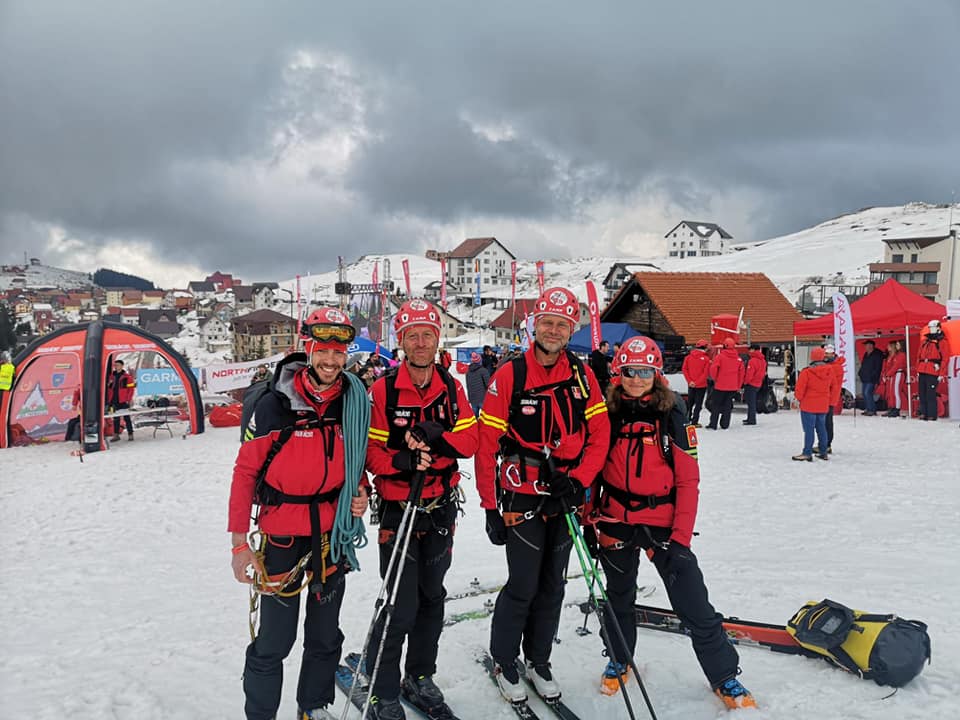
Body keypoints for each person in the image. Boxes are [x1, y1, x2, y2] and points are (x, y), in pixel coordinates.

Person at [590, 336, 755, 709]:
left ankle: (724, 676)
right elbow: (594, 470)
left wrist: (681, 538)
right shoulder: (607, 412)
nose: (636, 379)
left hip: (662, 523)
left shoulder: (673, 413)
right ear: (618, 372)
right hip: (615, 518)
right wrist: (589, 518)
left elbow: (688, 480)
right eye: (629, 371)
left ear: (656, 373)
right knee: (618, 597)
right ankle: (619, 659)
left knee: (693, 603)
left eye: (644, 371)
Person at [228, 307, 370, 720]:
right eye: (322, 350)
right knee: (275, 640)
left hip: (332, 536)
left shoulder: (352, 401)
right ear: (307, 349)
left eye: (338, 352)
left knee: (325, 636)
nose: (330, 360)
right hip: (282, 537)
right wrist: (239, 544)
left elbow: (356, 461)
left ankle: (313, 706)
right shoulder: (273, 406)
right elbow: (245, 472)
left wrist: (361, 490)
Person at [476, 286, 610, 704]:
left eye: (561, 325)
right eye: (547, 323)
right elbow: (486, 444)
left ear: (571, 331)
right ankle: (504, 659)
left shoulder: (583, 376)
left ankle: (538, 659)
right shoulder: (510, 375)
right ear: (535, 326)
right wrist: (489, 506)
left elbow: (600, 434)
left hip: (564, 493)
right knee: (523, 585)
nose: (553, 331)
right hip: (522, 494)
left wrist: (580, 480)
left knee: (553, 586)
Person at [363, 298, 478, 720]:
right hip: (399, 508)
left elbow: (471, 441)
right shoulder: (384, 390)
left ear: (437, 338)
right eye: (412, 335)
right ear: (401, 341)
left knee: (433, 598)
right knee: (401, 603)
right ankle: (383, 688)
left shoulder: (451, 387)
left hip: (440, 506)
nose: (420, 342)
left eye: (427, 334)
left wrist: (436, 437)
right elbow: (370, 453)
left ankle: (420, 675)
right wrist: (404, 459)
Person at [792, 347, 836, 461]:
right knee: (822, 429)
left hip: (808, 405)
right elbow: (834, 387)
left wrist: (797, 399)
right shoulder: (830, 370)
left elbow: (800, 388)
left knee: (809, 430)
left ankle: (807, 453)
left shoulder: (806, 372)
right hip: (823, 405)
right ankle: (823, 452)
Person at [705, 339, 743, 430]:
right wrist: (738, 385)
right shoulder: (738, 359)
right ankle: (725, 424)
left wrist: (716, 379)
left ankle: (713, 424)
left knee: (716, 405)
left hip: (720, 386)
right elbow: (741, 374)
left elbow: (713, 369)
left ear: (724, 346)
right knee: (728, 405)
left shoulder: (720, 357)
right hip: (732, 386)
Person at [917, 320, 948, 421]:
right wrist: (918, 369)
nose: (931, 329)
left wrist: (941, 373)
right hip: (922, 369)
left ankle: (931, 414)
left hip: (933, 370)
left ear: (938, 328)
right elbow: (919, 356)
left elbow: (945, 358)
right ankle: (923, 413)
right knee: (922, 393)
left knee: (930, 394)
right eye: (930, 327)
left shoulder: (942, 342)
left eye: (933, 327)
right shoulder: (925, 341)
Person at [681, 339, 711, 427]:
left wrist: (690, 381)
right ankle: (695, 421)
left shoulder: (688, 357)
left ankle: (687, 419)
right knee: (698, 404)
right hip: (701, 385)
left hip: (690, 385)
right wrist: (697, 382)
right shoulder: (706, 359)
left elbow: (684, 369)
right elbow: (705, 373)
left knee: (690, 403)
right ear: (705, 347)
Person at [105, 359, 136, 441]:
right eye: (115, 365)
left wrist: (129, 399)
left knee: (127, 418)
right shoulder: (111, 376)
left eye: (118, 365)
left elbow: (131, 389)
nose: (116, 367)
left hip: (123, 401)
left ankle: (130, 434)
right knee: (116, 418)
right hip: (113, 400)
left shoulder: (127, 377)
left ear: (122, 366)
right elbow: (109, 388)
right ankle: (116, 435)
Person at [821, 344, 844, 452]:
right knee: (825, 421)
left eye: (828, 353)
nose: (826, 355)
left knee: (827, 422)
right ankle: (825, 443)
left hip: (829, 397)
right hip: (827, 397)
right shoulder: (832, 365)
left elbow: (827, 382)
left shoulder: (835, 367)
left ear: (833, 354)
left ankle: (827, 444)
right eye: (825, 353)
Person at [741, 344, 767, 426]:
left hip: (751, 384)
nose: (749, 351)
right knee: (752, 402)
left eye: (750, 349)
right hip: (758, 383)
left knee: (750, 402)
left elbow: (749, 374)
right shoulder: (763, 360)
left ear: (753, 350)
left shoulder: (752, 361)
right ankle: (750, 418)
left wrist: (745, 382)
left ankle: (751, 419)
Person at [880, 340, 907, 418]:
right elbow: (889, 366)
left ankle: (896, 409)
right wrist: (885, 375)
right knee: (891, 393)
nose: (887, 347)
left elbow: (896, 366)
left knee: (896, 392)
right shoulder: (891, 356)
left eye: (889, 346)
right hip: (892, 375)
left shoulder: (901, 355)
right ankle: (892, 407)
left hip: (898, 373)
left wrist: (888, 374)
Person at [858, 340, 884, 416]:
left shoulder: (877, 354)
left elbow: (878, 367)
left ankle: (872, 410)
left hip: (872, 378)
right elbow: (863, 364)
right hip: (865, 377)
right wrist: (860, 373)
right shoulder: (866, 354)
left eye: (866, 345)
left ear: (871, 346)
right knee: (864, 393)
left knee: (867, 393)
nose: (865, 347)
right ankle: (868, 409)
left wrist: (874, 376)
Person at [466, 350, 491, 417]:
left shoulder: (468, 372)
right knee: (486, 416)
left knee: (475, 417)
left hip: (473, 398)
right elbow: (488, 384)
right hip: (483, 398)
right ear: (480, 361)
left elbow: (468, 386)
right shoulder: (483, 371)